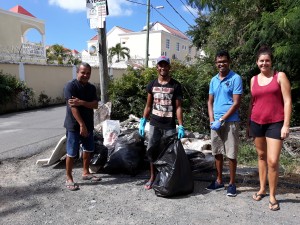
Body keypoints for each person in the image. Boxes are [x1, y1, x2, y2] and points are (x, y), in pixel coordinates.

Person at [248, 45, 292, 211]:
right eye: (261, 61)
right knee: (261, 157)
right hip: (256, 122)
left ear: (271, 61)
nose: (264, 63)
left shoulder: (280, 76)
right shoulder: (253, 79)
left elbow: (288, 101)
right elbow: (252, 103)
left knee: (272, 161)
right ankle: (262, 188)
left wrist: (286, 124)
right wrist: (248, 124)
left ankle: (273, 195)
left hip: (275, 123)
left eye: (267, 60)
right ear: (257, 62)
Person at [139, 56, 185, 190]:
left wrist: (180, 125)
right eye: (160, 65)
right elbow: (148, 105)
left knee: (169, 154)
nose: (163, 68)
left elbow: (178, 107)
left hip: (169, 125)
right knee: (152, 151)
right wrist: (143, 121)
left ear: (169, 67)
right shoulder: (152, 85)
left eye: (165, 65)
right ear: (157, 67)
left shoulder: (175, 85)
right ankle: (153, 177)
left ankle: (167, 179)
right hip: (154, 123)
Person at [206, 50, 243, 197]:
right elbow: (210, 101)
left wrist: (221, 120)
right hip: (215, 122)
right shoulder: (213, 80)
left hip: (230, 122)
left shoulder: (235, 78)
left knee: (231, 154)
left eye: (224, 61)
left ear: (229, 62)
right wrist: (211, 120)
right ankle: (219, 180)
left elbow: (236, 103)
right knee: (217, 152)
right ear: (216, 63)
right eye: (219, 62)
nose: (221, 64)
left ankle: (232, 183)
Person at [63, 62, 101, 191]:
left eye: (88, 73)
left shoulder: (91, 88)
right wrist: (81, 125)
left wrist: (82, 102)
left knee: (88, 149)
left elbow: (95, 105)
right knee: (71, 152)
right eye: (83, 72)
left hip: (88, 124)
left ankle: (86, 173)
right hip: (74, 125)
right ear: (77, 72)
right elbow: (73, 107)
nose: (85, 75)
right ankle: (69, 178)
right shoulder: (70, 86)